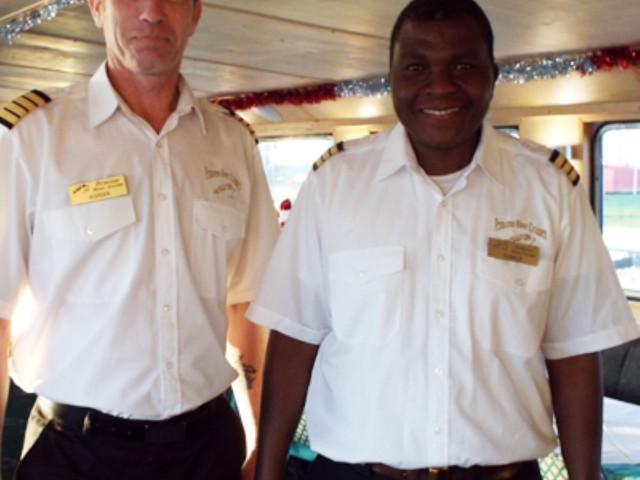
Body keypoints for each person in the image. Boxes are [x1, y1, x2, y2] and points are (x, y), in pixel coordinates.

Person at [247, 0, 640, 479]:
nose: (440, 84)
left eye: (463, 65)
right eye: (416, 67)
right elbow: (294, 339)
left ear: (492, 75)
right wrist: (266, 472)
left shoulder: (549, 189)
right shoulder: (334, 186)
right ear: (392, 78)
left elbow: (574, 353)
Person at [0, 0, 279, 478]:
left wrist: (259, 445)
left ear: (195, 13)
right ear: (96, 6)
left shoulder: (232, 144)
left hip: (206, 452)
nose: (152, 11)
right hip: (74, 454)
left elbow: (245, 304)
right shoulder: (32, 138)